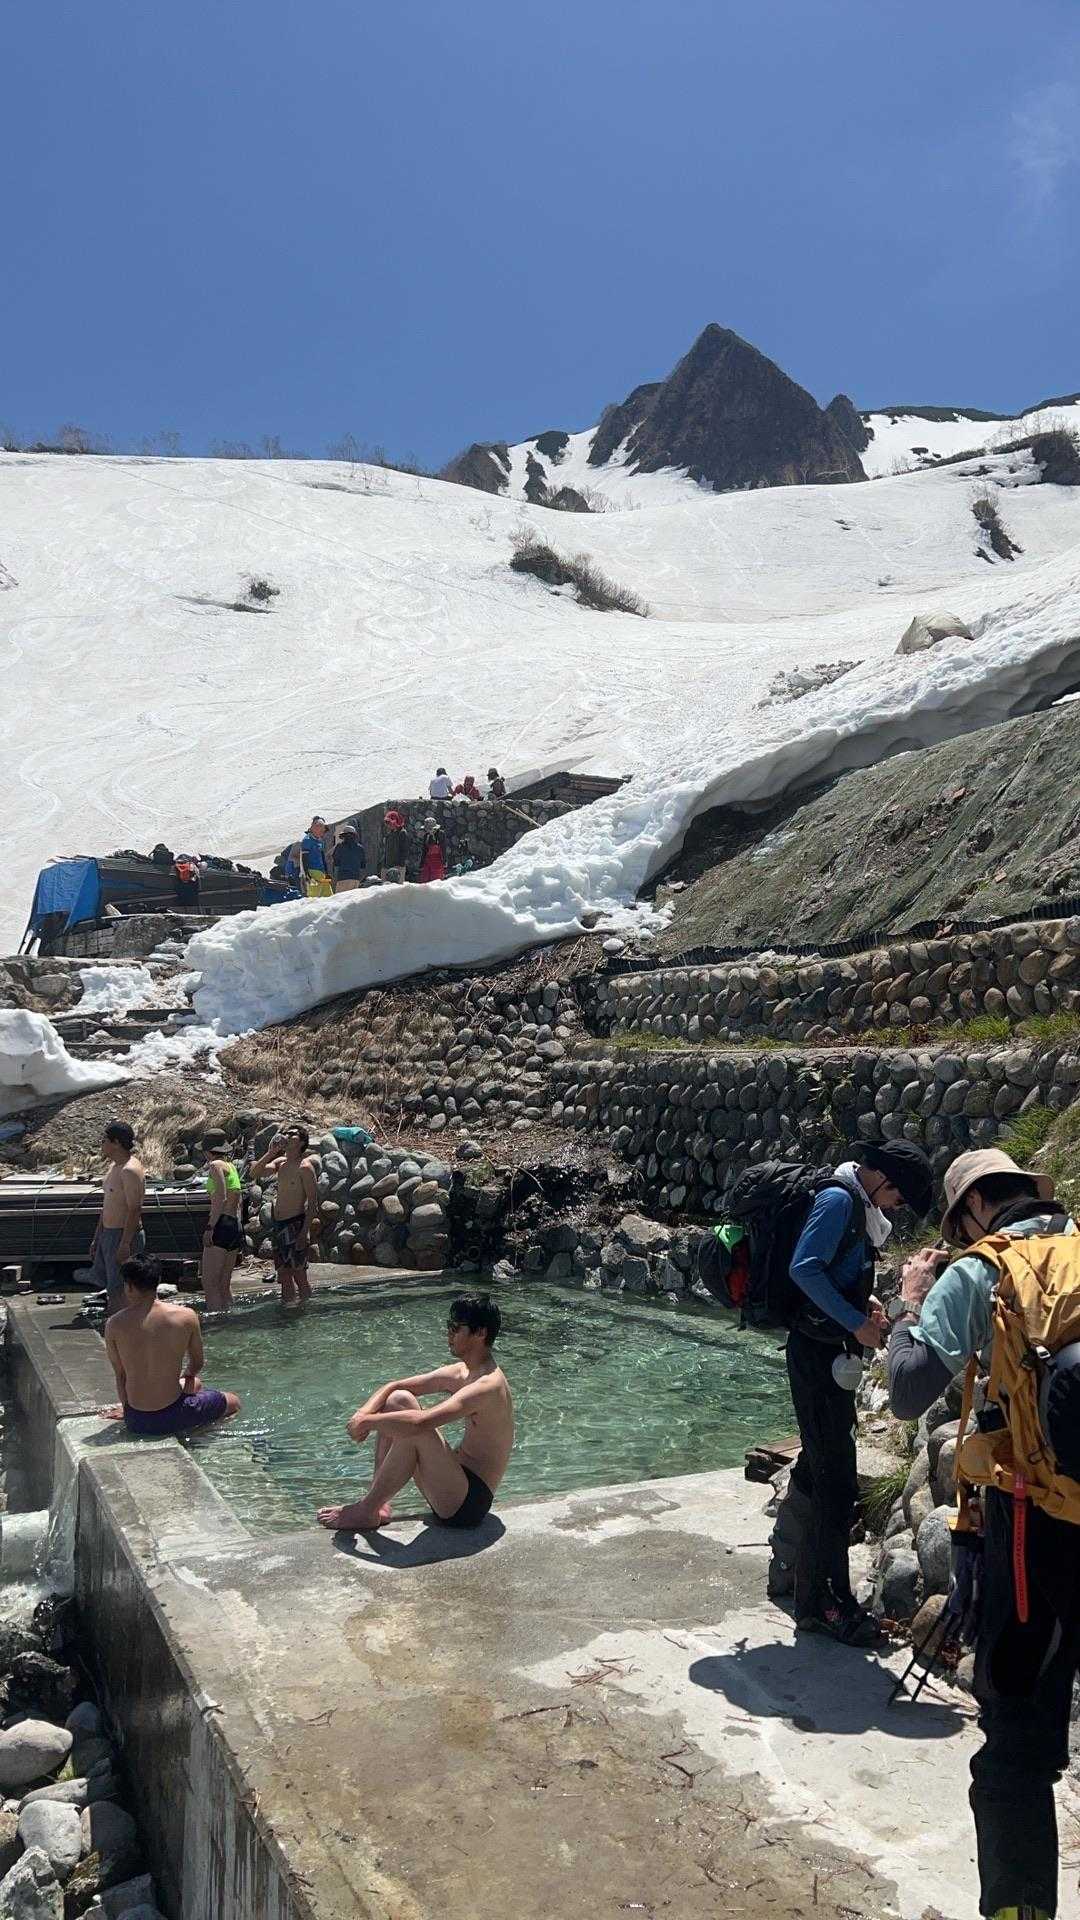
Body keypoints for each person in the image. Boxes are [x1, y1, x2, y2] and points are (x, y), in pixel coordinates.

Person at [887, 1149, 1079, 1920]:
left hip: (1037, 1528)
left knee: (1016, 1741)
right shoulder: (1077, 1245)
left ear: (971, 1210)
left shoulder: (979, 1271)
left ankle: (1018, 1908)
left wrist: (909, 1304)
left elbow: (908, 1390)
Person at [786, 1139, 933, 1645]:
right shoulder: (839, 1201)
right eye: (900, 1198)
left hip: (828, 1355)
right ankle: (825, 1605)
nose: (898, 1208)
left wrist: (861, 1301)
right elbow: (804, 1268)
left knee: (821, 1468)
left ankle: (797, 1582)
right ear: (884, 1181)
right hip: (816, 1357)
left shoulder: (855, 1204)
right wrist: (855, 1322)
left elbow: (831, 1270)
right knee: (836, 1484)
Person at [316, 1293, 514, 1532]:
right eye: (448, 1326)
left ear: (480, 1333)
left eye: (455, 1328)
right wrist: (362, 1414)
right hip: (453, 1479)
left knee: (417, 1430)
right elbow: (394, 1386)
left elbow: (420, 1423)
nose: (448, 1334)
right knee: (399, 1400)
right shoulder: (463, 1372)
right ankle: (378, 1504)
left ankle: (366, 1510)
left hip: (469, 1504)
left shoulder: (487, 1386)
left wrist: (368, 1422)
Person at [103, 1256, 241, 1436]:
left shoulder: (114, 1324)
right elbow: (197, 1363)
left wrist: (128, 1411)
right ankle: (200, 1432)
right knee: (234, 1401)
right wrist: (189, 1374)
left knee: (196, 1384)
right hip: (175, 1414)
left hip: (136, 1420)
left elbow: (121, 1376)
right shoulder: (186, 1316)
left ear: (129, 1286)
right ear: (158, 1281)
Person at [249, 1125, 321, 1304]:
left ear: (302, 1142)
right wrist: (271, 1152)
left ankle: (305, 1311)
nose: (287, 1136)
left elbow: (313, 1204)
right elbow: (254, 1173)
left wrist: (303, 1233)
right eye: (286, 1133)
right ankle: (288, 1312)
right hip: (279, 1225)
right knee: (283, 1275)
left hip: (295, 1225)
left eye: (292, 1134)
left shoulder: (305, 1167)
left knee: (299, 1275)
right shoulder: (280, 1162)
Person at [88, 1122, 146, 1313]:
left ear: (116, 1143)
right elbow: (107, 1205)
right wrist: (97, 1236)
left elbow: (134, 1209)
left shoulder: (129, 1170)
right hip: (109, 1233)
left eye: (104, 1140)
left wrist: (125, 1243)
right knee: (113, 1288)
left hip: (123, 1235)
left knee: (123, 1290)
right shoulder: (114, 1167)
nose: (101, 1144)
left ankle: (125, 1327)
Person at [200, 1136, 245, 1312]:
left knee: (210, 1283)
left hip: (220, 1224)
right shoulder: (231, 1166)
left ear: (207, 1151)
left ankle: (217, 1324)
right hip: (234, 1225)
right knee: (224, 1283)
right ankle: (229, 1320)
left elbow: (221, 1197)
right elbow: (237, 1200)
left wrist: (210, 1227)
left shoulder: (215, 1165)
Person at [300, 817, 333, 897]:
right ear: (314, 828)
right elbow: (304, 859)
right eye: (321, 830)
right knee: (313, 897)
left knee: (329, 895)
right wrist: (307, 875)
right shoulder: (307, 840)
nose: (322, 833)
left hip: (322, 872)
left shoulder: (320, 841)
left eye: (323, 831)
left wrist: (327, 872)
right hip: (312, 871)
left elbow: (322, 857)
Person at [331, 824, 366, 892]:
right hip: (356, 879)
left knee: (340, 898)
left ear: (344, 836)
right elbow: (363, 865)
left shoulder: (340, 846)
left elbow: (336, 862)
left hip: (343, 878)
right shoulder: (360, 848)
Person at [381, 808, 409, 882]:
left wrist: (399, 865)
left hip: (397, 866)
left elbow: (404, 850)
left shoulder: (402, 833)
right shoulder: (390, 834)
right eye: (387, 823)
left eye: (389, 822)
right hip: (387, 866)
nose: (388, 825)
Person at [418, 818, 446, 884]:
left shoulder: (441, 834)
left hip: (437, 861)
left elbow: (443, 848)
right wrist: (421, 864)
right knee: (425, 881)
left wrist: (444, 861)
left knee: (436, 881)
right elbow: (424, 850)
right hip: (427, 861)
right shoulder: (426, 836)